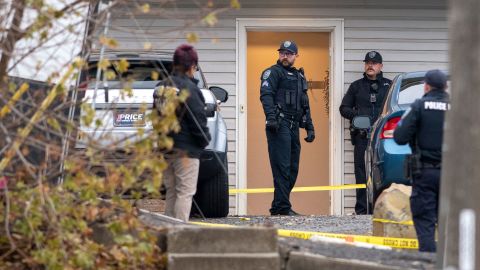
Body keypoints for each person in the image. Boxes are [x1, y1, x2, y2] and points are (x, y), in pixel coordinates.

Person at [393, 69, 449, 252]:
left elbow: (399, 136)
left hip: (425, 173)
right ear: (446, 87)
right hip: (452, 175)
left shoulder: (418, 106)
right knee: (449, 223)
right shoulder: (458, 109)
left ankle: (430, 263)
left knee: (425, 222)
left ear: (426, 86)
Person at [153, 44, 211, 222]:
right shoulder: (190, 90)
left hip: (166, 148)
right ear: (192, 66)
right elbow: (197, 122)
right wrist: (204, 140)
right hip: (186, 151)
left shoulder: (161, 87)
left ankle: (167, 231)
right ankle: (179, 232)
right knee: (185, 193)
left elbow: (155, 118)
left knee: (171, 191)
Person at [260, 40, 315, 216]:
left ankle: (278, 206)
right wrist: (271, 118)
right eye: (282, 53)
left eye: (289, 53)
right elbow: (266, 96)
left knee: (292, 168)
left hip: (293, 126)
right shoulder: (272, 72)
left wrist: (310, 126)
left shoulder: (299, 77)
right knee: (281, 167)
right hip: (279, 124)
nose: (285, 56)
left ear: (295, 56)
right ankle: (282, 207)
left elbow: (305, 104)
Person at [339, 51, 392, 215]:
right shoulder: (356, 86)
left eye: (374, 63)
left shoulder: (389, 86)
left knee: (384, 170)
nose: (370, 65)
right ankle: (361, 210)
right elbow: (343, 108)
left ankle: (382, 209)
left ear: (381, 66)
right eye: (368, 62)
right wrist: (358, 116)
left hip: (383, 138)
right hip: (361, 136)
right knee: (361, 172)